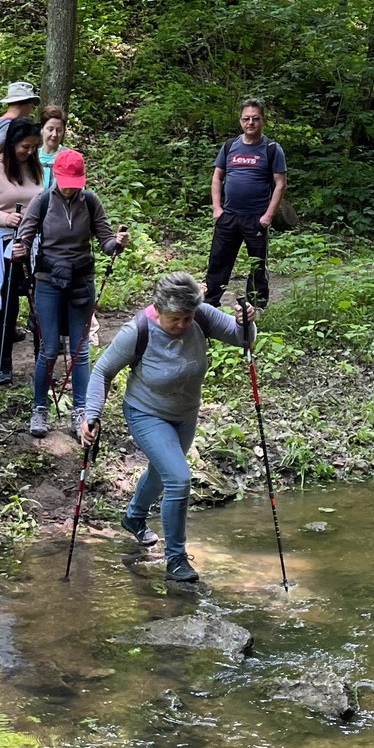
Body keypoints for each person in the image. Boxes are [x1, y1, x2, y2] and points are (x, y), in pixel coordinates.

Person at [80, 269, 255, 586]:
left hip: (185, 414)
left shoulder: (201, 315)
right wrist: (91, 414)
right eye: (175, 319)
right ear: (158, 309)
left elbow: (242, 338)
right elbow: (102, 371)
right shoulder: (137, 330)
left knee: (162, 472)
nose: (183, 324)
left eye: (188, 318)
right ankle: (175, 560)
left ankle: (134, 516)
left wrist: (246, 323)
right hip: (145, 413)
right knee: (178, 478)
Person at [16, 148, 126, 437]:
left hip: (81, 280)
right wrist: (19, 249)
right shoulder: (42, 201)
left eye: (74, 182)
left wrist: (117, 243)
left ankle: (81, 411)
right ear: (56, 176)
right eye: (65, 182)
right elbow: (25, 236)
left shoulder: (90, 201)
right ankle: (39, 407)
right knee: (49, 347)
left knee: (80, 350)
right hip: (48, 279)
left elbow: (106, 242)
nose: (69, 188)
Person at [0, 116, 44, 383]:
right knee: (8, 305)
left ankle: (42, 362)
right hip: (5, 243)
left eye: (33, 147)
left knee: (39, 302)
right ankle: (4, 364)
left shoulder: (34, 168)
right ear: (11, 144)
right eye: (24, 147)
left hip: (35, 243)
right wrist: (4, 218)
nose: (29, 152)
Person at [206, 99, 286, 308]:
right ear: (240, 121)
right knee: (218, 262)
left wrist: (268, 216)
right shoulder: (230, 146)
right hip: (228, 216)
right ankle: (209, 306)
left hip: (256, 218)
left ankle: (256, 307)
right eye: (246, 118)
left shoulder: (271, 149)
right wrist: (217, 208)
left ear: (263, 120)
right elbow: (217, 177)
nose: (250, 122)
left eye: (255, 118)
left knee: (257, 264)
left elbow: (280, 184)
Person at [37, 103, 68, 184]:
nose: (54, 134)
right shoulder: (32, 156)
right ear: (42, 129)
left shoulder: (69, 157)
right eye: (50, 129)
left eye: (59, 130)